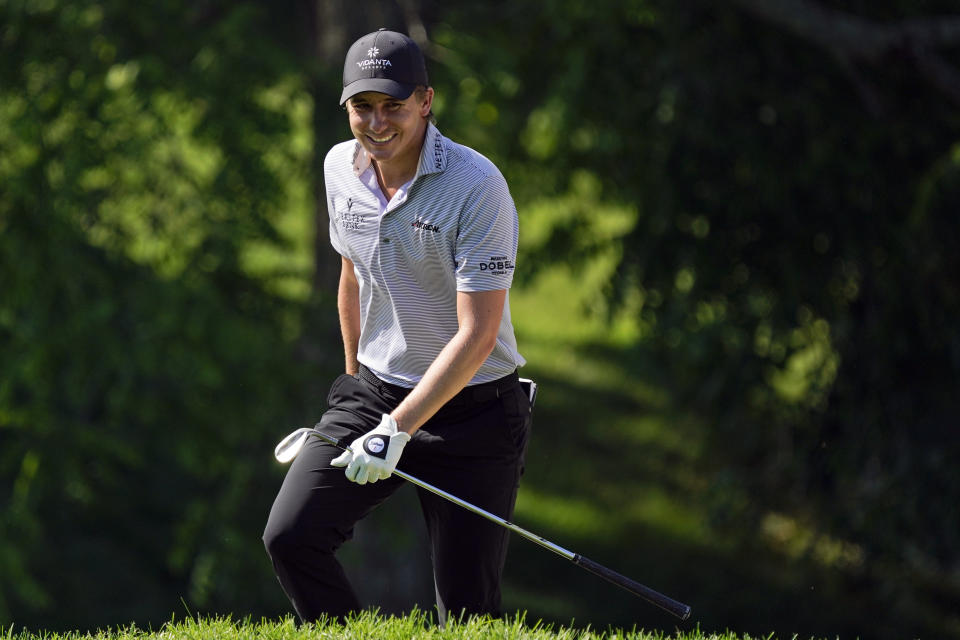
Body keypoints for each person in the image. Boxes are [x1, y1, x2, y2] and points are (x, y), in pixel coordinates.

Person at [262, 28, 531, 626]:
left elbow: (478, 335)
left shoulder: (476, 186)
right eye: (363, 106)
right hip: (377, 391)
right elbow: (352, 273)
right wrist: (356, 388)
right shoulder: (338, 168)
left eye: (394, 105)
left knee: (465, 617)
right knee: (291, 536)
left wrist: (396, 430)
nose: (377, 122)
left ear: (426, 101)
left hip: (474, 411)